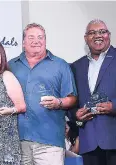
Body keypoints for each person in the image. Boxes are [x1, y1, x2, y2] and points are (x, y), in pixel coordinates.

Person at [8, 23, 77, 165]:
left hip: (50, 142)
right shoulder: (11, 65)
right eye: (31, 37)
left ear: (45, 40)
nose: (36, 41)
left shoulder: (60, 65)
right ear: (23, 42)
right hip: (16, 140)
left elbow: (72, 99)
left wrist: (58, 103)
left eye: (40, 37)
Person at [70, 19, 116, 165]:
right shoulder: (76, 66)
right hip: (89, 142)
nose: (98, 35)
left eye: (102, 32)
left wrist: (113, 106)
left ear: (109, 35)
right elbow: (72, 101)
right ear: (86, 38)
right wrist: (75, 115)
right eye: (92, 32)